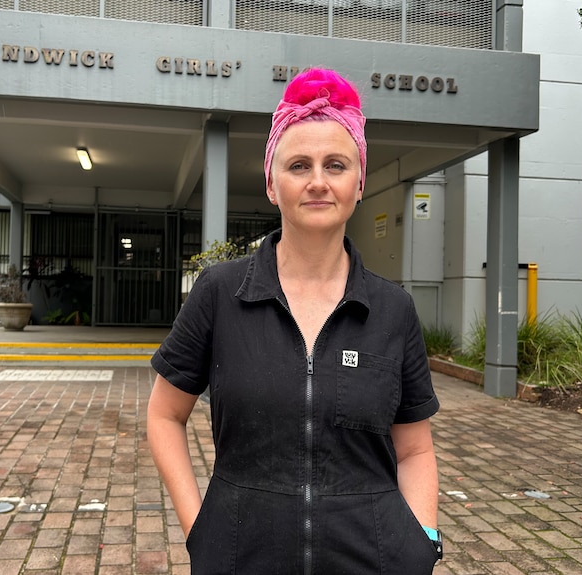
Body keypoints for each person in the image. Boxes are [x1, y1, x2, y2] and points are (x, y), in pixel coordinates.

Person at [147, 67, 442, 574]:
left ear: (359, 181)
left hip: (371, 561)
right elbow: (164, 415)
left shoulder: (393, 309)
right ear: (271, 182)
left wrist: (422, 541)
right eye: (299, 165)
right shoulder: (219, 293)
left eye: (336, 165)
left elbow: (414, 448)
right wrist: (202, 531)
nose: (318, 182)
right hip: (242, 559)